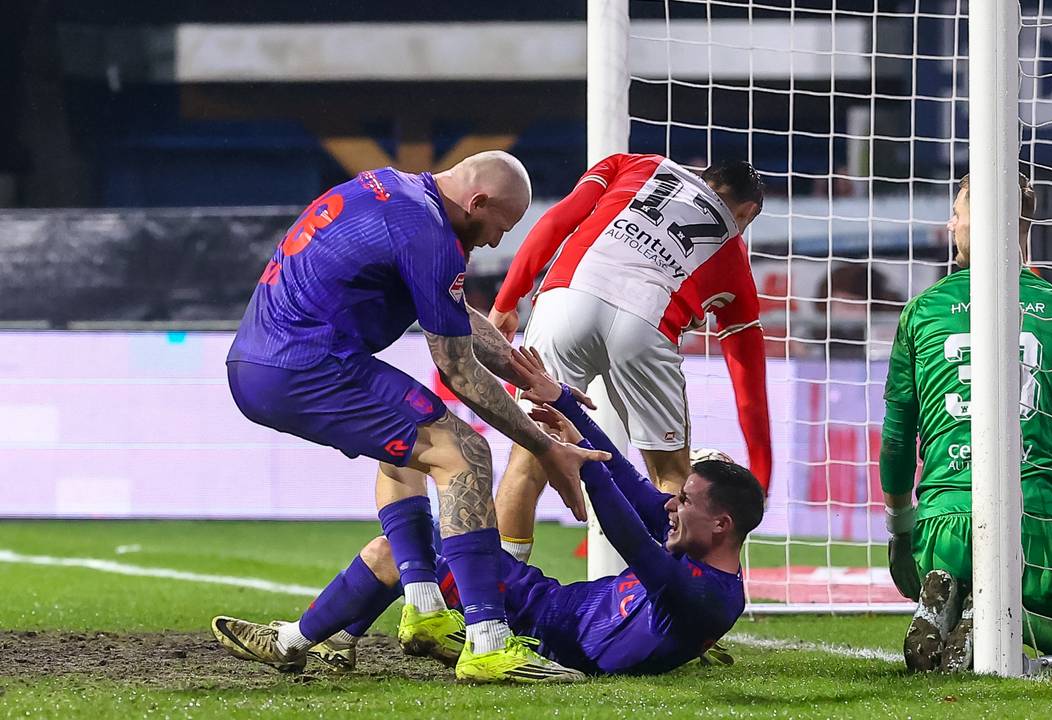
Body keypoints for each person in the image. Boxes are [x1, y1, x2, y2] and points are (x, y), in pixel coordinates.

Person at [216, 152, 607, 684]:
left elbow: (456, 315)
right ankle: (489, 642)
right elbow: (458, 369)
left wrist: (532, 376)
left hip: (267, 359)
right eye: (502, 226)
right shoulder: (426, 231)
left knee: (409, 454)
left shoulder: (396, 193)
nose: (495, 241)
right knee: (465, 453)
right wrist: (544, 446)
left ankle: (423, 606)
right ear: (479, 202)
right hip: (304, 364)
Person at [212, 348, 765, 677]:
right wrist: (566, 408)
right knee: (415, 516)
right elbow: (622, 472)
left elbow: (630, 536)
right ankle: (343, 638)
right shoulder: (705, 574)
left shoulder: (707, 593)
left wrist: (579, 467)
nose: (671, 507)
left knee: (396, 522)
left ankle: (292, 644)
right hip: (541, 601)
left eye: (685, 501)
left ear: (722, 524)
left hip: (527, 626)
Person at [878, 172, 1052, 672]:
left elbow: (896, 434)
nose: (950, 224)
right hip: (1034, 524)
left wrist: (901, 531)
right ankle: (1004, 615)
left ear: (989, 221)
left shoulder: (922, 311)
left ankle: (966, 602)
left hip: (941, 524)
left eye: (958, 213)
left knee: (941, 567)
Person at [485, 155, 773, 563]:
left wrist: (506, 299)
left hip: (567, 297)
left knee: (530, 456)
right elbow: (750, 383)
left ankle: (494, 609)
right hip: (646, 324)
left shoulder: (635, 164)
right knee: (672, 478)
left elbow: (557, 220)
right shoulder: (733, 256)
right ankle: (671, 613)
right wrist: (761, 474)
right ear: (748, 212)